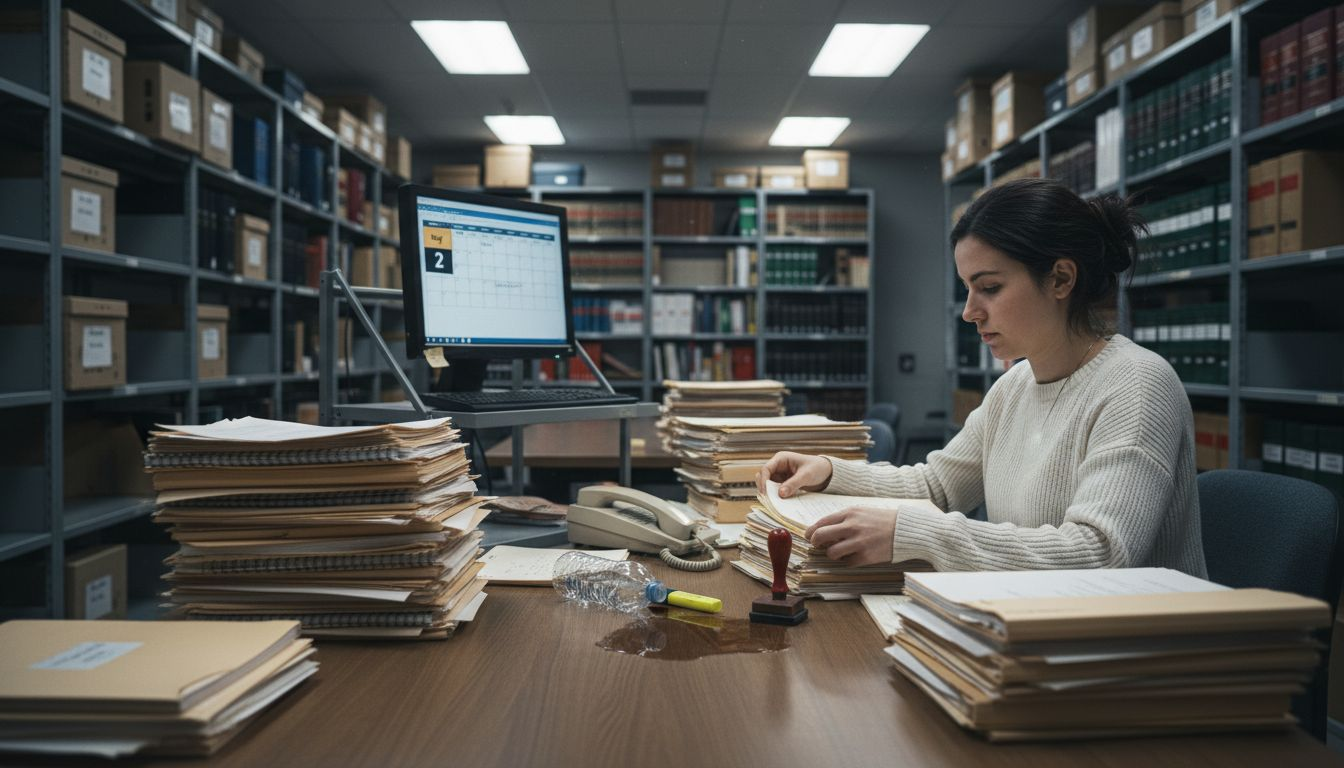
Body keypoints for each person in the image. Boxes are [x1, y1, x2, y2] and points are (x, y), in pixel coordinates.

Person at [758, 178, 1206, 577]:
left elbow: (1100, 552)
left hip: (1130, 639)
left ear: (1060, 279)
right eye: (968, 289)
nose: (970, 312)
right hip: (1034, 620)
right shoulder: (1014, 386)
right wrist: (830, 472)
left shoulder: (1137, 385)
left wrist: (923, 534)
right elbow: (937, 487)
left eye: (989, 288)